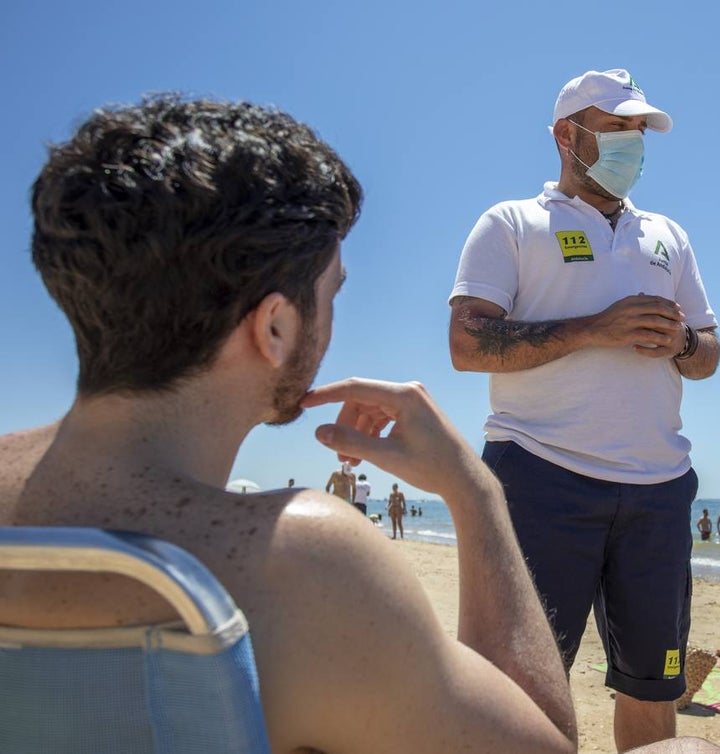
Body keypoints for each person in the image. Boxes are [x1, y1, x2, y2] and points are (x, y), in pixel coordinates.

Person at [0, 95, 587, 754]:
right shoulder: (302, 564)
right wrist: (476, 492)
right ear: (276, 327)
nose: (331, 318)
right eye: (331, 293)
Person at [448, 68, 720, 750]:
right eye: (618, 128)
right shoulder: (512, 223)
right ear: (567, 135)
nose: (633, 143)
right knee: (520, 689)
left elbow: (709, 351)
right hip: (540, 477)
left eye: (639, 131)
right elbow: (467, 343)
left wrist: (682, 340)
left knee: (653, 686)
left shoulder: (668, 236)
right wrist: (592, 328)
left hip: (658, 489)